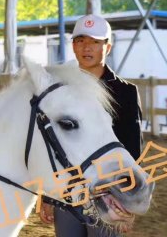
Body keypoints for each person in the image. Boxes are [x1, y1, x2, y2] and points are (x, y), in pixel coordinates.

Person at [40, 14, 143, 237]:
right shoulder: (61, 90)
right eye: (81, 40)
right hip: (67, 193)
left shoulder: (125, 93)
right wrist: (48, 196)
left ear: (107, 47)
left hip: (108, 194)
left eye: (95, 41)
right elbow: (52, 147)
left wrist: (127, 203)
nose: (87, 47)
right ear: (74, 46)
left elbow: (133, 150)